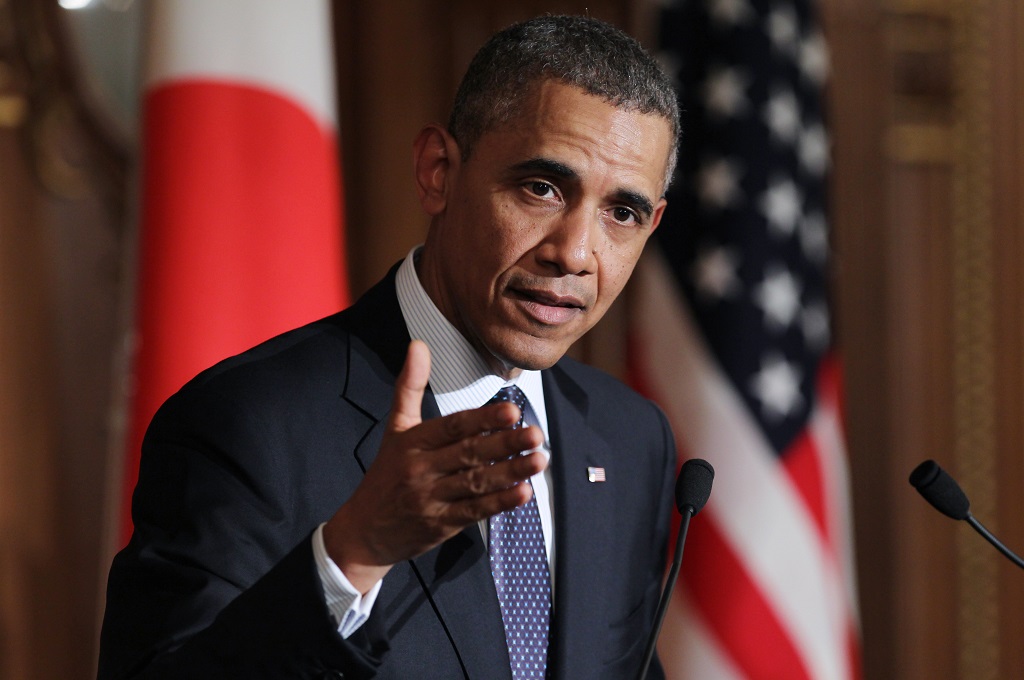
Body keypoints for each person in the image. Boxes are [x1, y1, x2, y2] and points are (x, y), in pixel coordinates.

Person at [99, 14, 681, 680]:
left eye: (622, 213)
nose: (575, 253)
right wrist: (352, 553)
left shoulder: (630, 439)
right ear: (438, 171)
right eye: (541, 188)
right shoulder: (249, 422)